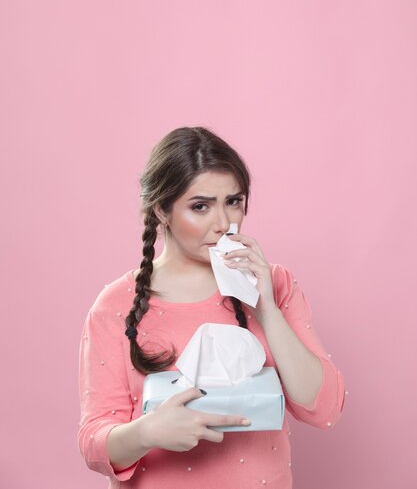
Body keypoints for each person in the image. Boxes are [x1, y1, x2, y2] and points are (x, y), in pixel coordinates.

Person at [78, 126, 345, 488]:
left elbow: (324, 409)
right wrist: (147, 432)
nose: (223, 224)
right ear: (162, 210)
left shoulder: (275, 284)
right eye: (200, 206)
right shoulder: (115, 305)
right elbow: (94, 440)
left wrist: (266, 306)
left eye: (233, 201)